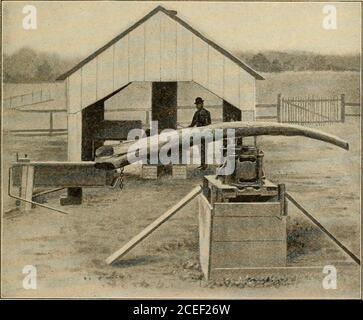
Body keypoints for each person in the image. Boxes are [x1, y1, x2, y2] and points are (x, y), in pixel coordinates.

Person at [189, 97, 211, 170]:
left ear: (202, 104)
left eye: (198, 104)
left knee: (203, 149)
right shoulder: (197, 113)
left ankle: (204, 165)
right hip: (199, 134)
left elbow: (208, 124)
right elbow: (193, 123)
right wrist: (188, 127)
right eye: (196, 104)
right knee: (201, 149)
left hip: (204, 134)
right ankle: (202, 164)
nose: (197, 106)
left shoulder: (206, 113)